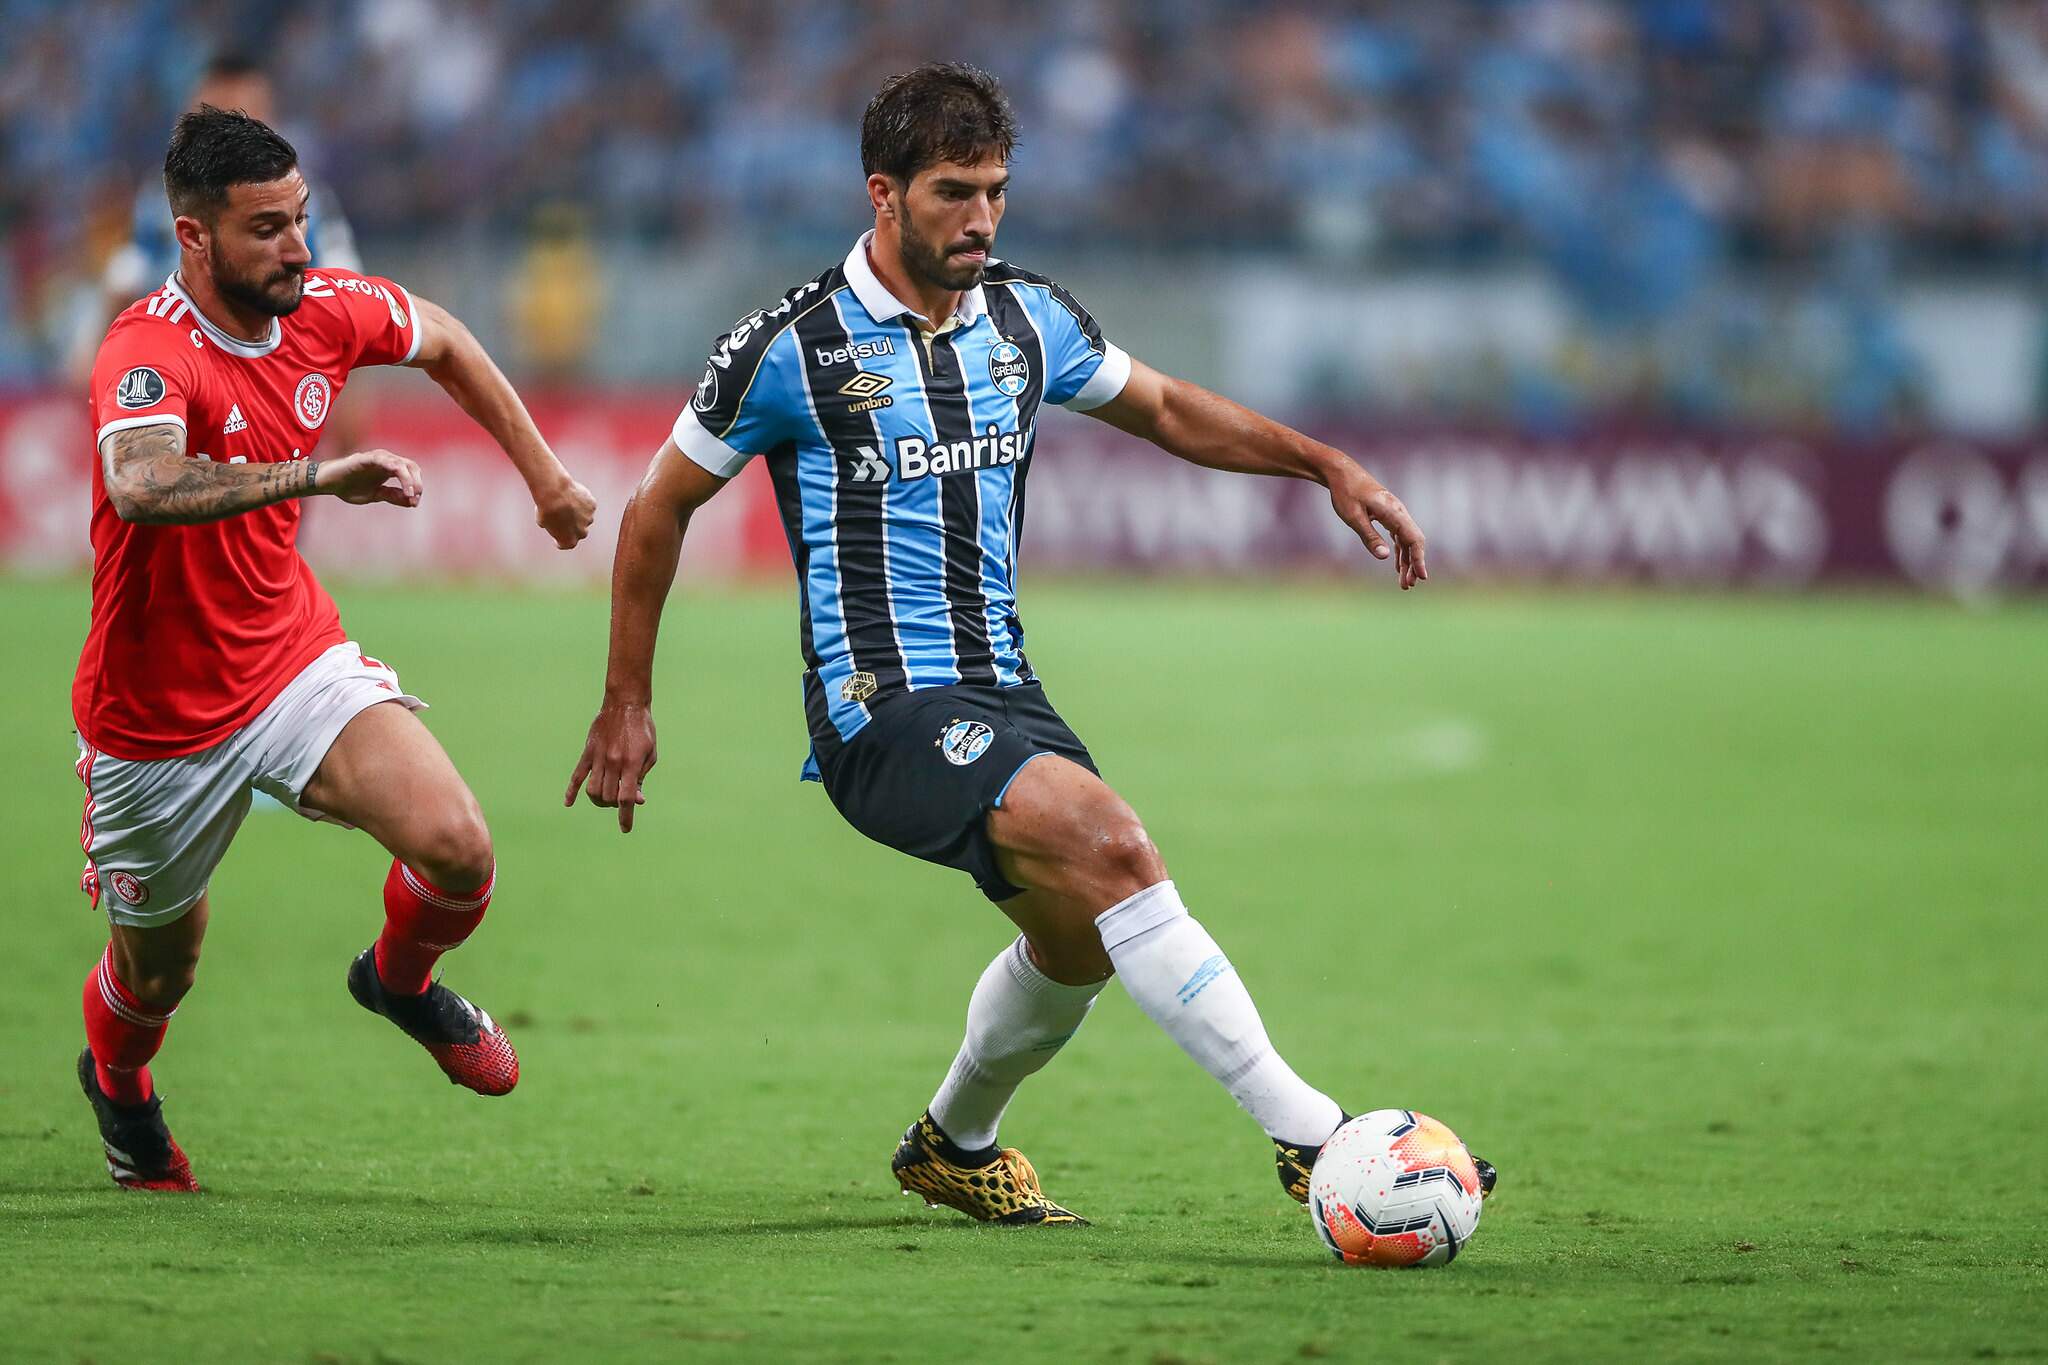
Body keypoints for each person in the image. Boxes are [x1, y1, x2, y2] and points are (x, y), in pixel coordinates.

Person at [565, 63, 1490, 1225]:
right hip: (878, 710)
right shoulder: (789, 346)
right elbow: (658, 506)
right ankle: (1314, 1138)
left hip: (1005, 689)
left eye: (996, 190)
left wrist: (1324, 464)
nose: (982, 218)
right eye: (954, 192)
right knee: (1114, 846)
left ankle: (952, 1143)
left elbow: (1159, 408)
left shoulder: (1023, 316)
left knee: (1081, 942)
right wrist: (626, 701)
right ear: (882, 193)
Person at [74, 107, 596, 1191]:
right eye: (266, 228)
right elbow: (144, 483)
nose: (298, 249)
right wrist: (315, 476)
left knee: (458, 848)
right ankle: (120, 1087)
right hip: (155, 719)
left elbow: (444, 337)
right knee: (154, 979)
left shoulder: (324, 310)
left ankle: (399, 983)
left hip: (288, 661)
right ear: (193, 237)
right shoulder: (148, 348)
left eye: (301, 220)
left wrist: (542, 476)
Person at [69, 51, 371, 457]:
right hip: (178, 377)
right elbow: (123, 284)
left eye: (241, 117)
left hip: (268, 388)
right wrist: (92, 356)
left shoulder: (302, 202)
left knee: (261, 503)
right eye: (211, 115)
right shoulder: (162, 202)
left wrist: (347, 406)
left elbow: (349, 306)